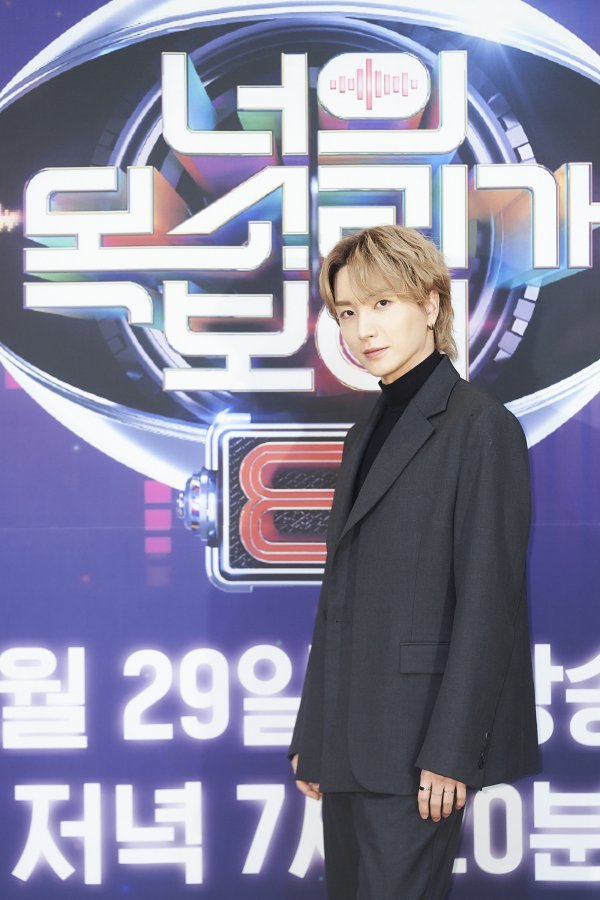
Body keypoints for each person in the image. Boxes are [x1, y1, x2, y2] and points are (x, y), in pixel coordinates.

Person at [287, 225, 541, 899]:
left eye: (382, 304)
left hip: (418, 747)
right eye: (347, 312)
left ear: (430, 305)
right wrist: (315, 732)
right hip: (348, 744)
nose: (363, 329)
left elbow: (489, 602)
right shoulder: (366, 430)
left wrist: (452, 751)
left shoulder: (480, 426)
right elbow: (339, 598)